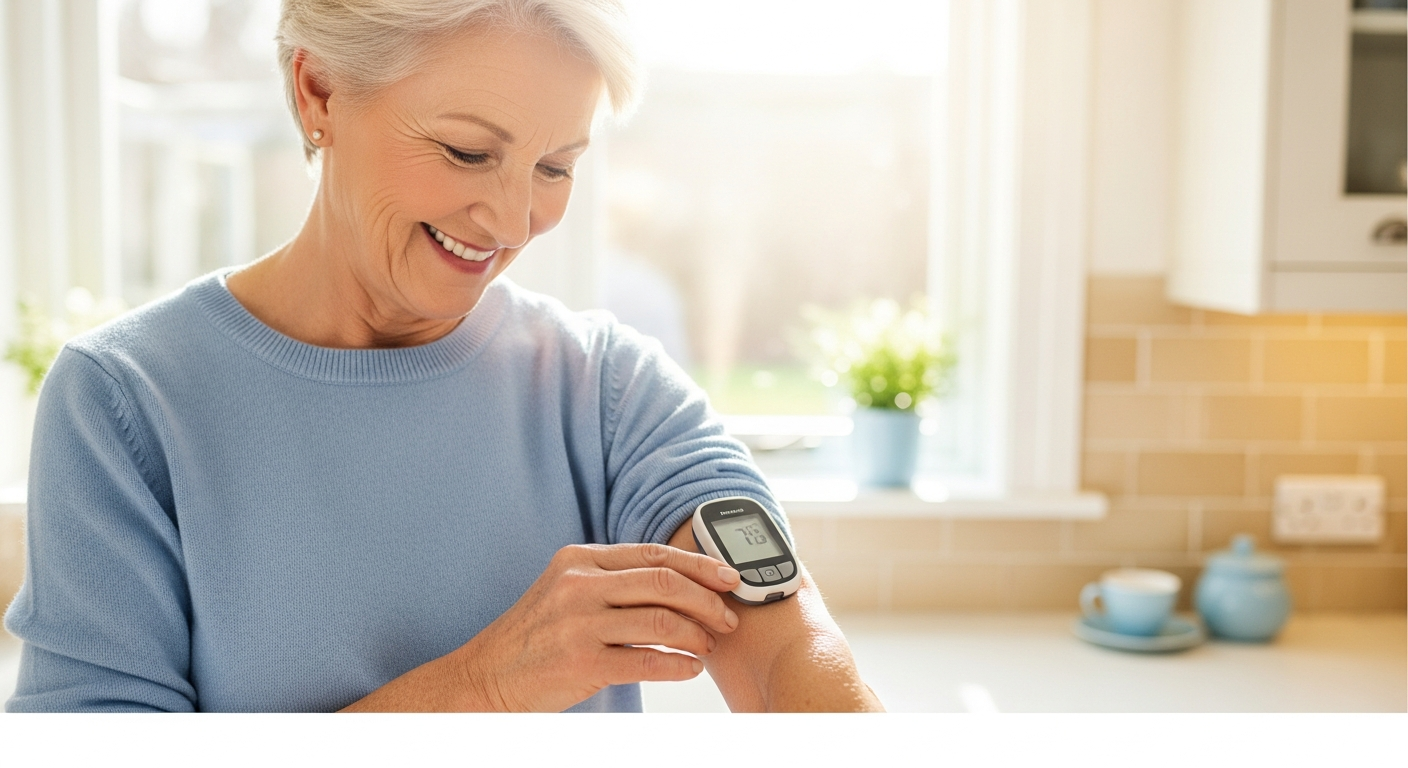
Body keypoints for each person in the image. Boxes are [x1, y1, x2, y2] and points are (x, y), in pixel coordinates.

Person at [4, 0, 881, 712]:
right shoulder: (127, 402)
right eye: (468, 152)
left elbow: (785, 648)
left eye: (554, 167)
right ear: (317, 92)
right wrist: (486, 685)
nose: (509, 221)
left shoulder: (607, 390)